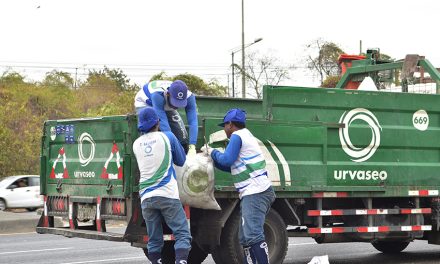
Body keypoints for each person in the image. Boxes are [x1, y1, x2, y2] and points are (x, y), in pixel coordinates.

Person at [202, 108, 276, 264]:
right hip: (255, 192)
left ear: (230, 124)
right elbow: (230, 167)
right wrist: (213, 159)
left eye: (224, 125)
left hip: (256, 192)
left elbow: (227, 160)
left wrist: (212, 152)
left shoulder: (237, 136)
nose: (224, 129)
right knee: (245, 237)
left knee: (253, 235)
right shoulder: (246, 135)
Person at [133, 107, 192, 264]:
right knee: (182, 234)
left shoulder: (136, 144)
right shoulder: (168, 137)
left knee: (154, 239)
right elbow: (181, 161)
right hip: (166, 195)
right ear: (158, 122)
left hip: (146, 198)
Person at [134, 79, 198, 156]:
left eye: (179, 103)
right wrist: (172, 146)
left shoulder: (189, 96)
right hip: (146, 103)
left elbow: (193, 121)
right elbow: (164, 124)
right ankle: (147, 153)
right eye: (175, 102)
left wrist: (192, 145)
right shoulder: (158, 95)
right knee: (151, 126)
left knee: (181, 134)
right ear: (168, 94)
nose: (176, 106)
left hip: (165, 103)